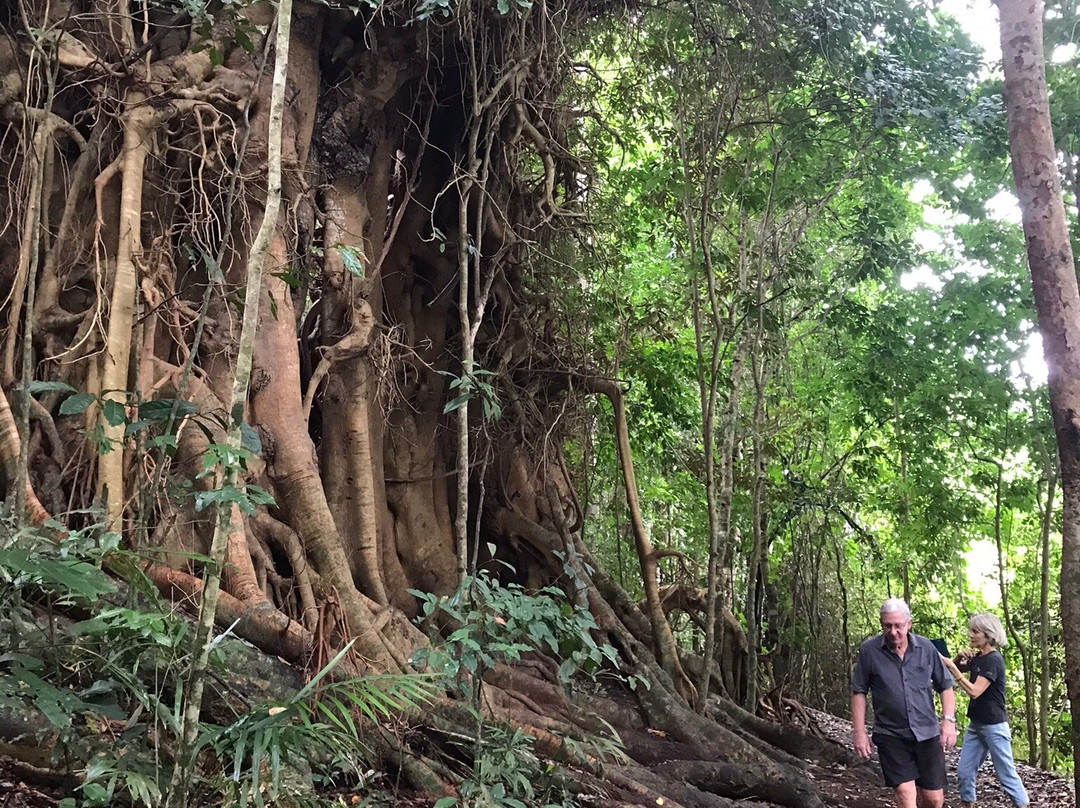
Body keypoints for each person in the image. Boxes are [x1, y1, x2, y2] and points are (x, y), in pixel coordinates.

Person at [851, 598, 957, 808]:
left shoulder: (926, 648)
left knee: (934, 799)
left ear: (909, 624)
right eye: (887, 625)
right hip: (891, 735)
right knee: (905, 795)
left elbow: (945, 685)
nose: (893, 631)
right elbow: (859, 691)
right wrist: (859, 732)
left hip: (927, 734)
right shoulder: (869, 652)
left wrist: (949, 721)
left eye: (898, 625)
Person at [940, 613, 1029, 808]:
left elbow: (975, 691)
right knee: (964, 773)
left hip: (995, 727)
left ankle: (1023, 804)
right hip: (976, 725)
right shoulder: (979, 657)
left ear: (989, 635)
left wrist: (954, 671)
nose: (971, 635)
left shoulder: (993, 660)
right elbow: (950, 668)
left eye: (975, 631)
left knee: (1006, 775)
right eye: (971, 630)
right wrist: (957, 658)